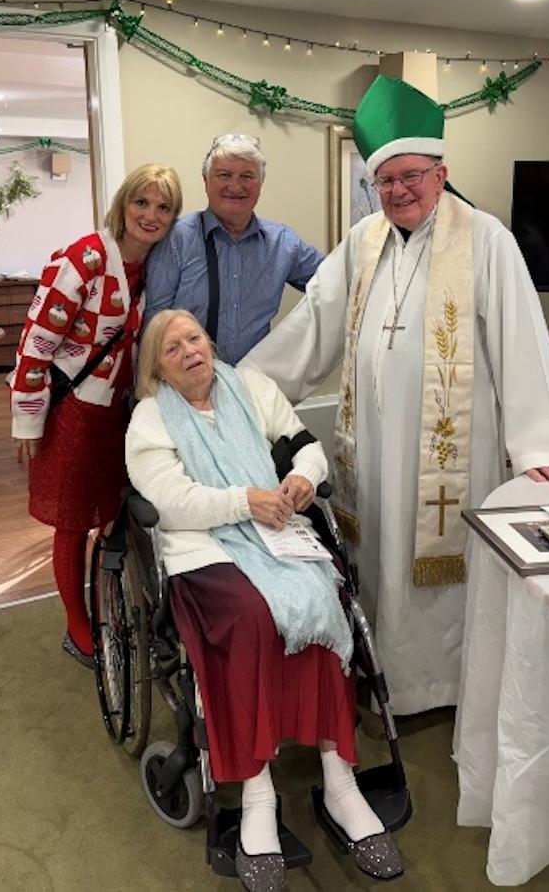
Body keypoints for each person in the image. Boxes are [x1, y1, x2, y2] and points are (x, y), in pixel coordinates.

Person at [243, 74, 549, 715]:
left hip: (451, 455)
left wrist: (535, 446)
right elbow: (314, 322)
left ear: (441, 171)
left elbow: (521, 340)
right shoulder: (363, 241)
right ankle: (380, 674)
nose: (397, 191)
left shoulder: (485, 239)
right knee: (378, 566)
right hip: (371, 443)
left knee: (439, 576)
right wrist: (244, 388)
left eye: (410, 176)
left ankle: (445, 688)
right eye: (384, 180)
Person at [126, 309, 403, 891]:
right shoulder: (150, 420)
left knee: (325, 602)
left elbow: (305, 445)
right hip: (203, 547)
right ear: (158, 368)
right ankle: (256, 795)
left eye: (195, 339)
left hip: (273, 530)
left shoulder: (250, 387)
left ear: (211, 342)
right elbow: (171, 500)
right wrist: (243, 503)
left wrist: (303, 477)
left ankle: (340, 780)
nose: (190, 352)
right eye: (172, 349)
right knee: (253, 619)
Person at [9, 163, 183, 666]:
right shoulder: (84, 257)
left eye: (163, 207)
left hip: (120, 415)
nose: (150, 215)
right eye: (142, 202)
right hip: (72, 415)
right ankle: (76, 624)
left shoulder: (156, 268)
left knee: (111, 514)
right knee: (70, 522)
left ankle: (112, 604)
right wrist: (27, 416)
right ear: (124, 204)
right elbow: (36, 340)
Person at [143, 133, 324, 364]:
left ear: (260, 185)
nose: (235, 186)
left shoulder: (283, 244)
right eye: (224, 175)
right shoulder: (176, 238)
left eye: (247, 176)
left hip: (253, 383)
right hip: (186, 383)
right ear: (205, 181)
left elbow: (338, 279)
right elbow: (154, 326)